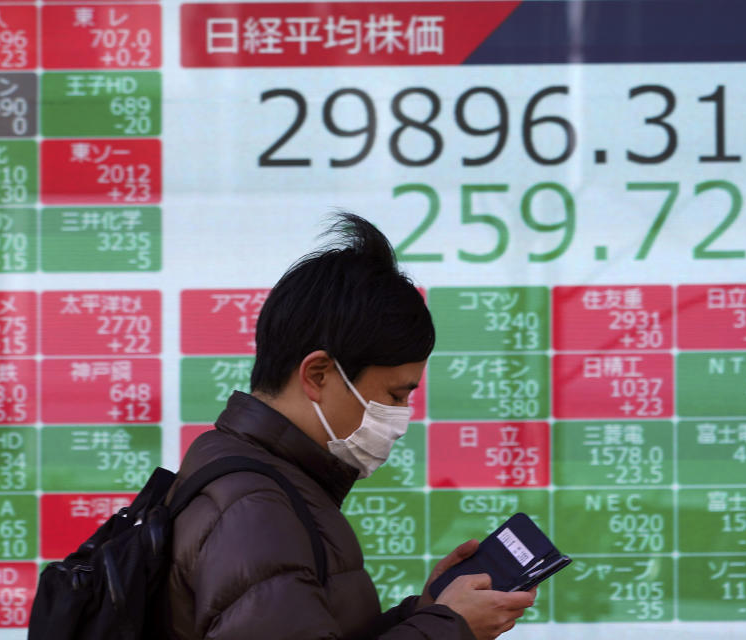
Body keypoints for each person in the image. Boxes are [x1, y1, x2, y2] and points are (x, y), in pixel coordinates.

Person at [167, 214, 536, 639]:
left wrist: (430, 612)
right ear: (318, 375)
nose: (401, 419)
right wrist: (449, 628)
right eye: (396, 395)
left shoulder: (257, 480)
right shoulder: (255, 508)